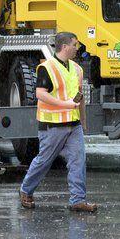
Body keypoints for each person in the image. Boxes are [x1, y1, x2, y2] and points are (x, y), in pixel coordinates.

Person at [19, 32, 98, 212]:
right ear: (64, 47)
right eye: (75, 45)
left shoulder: (77, 69)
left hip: (73, 124)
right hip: (51, 125)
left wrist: (83, 122)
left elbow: (79, 97)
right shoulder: (46, 67)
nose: (77, 48)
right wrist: (65, 105)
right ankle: (26, 190)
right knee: (44, 161)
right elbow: (40, 94)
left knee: (78, 161)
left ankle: (78, 200)